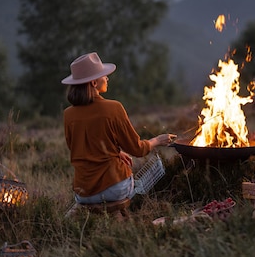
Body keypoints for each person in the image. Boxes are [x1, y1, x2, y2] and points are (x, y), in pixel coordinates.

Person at [61, 52, 176, 204]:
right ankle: (123, 216)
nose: (107, 78)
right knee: (136, 179)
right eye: (104, 75)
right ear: (94, 83)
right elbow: (137, 149)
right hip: (113, 189)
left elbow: (79, 149)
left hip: (83, 192)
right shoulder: (113, 108)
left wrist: (117, 152)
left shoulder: (68, 114)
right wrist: (157, 140)